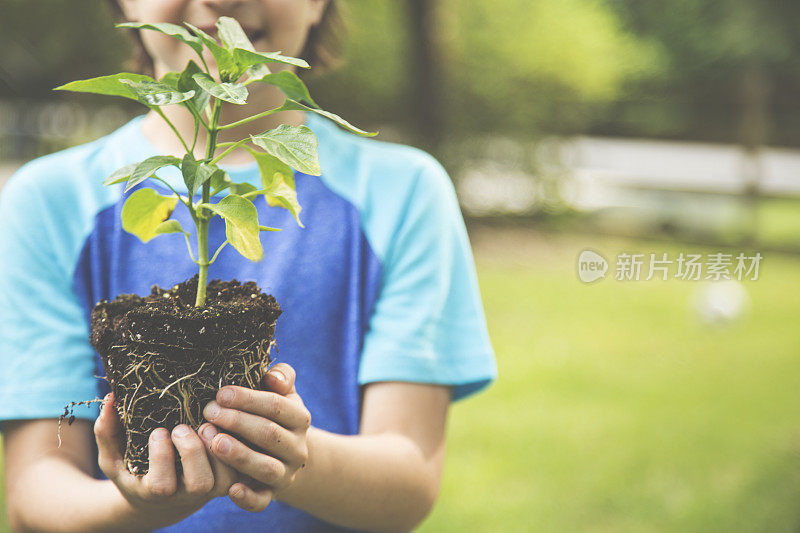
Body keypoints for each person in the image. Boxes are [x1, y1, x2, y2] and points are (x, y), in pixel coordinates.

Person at [0, 1, 497, 531]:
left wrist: (284, 455)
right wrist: (139, 502)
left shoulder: (404, 195)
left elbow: (408, 484)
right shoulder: (49, 203)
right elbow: (36, 489)